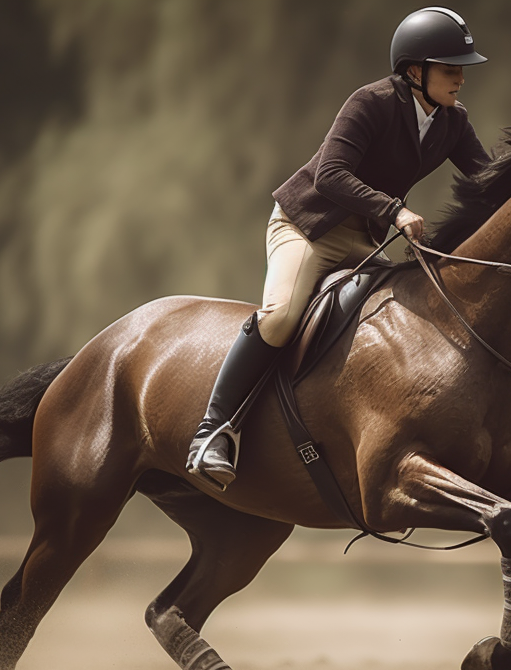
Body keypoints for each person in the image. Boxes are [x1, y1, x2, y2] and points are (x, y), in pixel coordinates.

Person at [187, 6, 493, 489]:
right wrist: (394, 211)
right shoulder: (370, 102)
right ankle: (213, 431)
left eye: (463, 70)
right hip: (308, 226)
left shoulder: (452, 122)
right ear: (415, 71)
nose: (460, 78)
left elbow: (489, 182)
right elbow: (330, 174)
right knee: (283, 315)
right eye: (451, 69)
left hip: (363, 240)